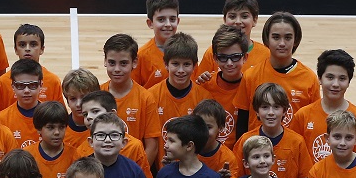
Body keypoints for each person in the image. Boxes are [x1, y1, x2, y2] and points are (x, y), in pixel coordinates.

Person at [239, 12, 319, 135]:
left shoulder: (309, 78)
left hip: (293, 151)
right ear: (267, 40)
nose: (282, 43)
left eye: (288, 37)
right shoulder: (250, 75)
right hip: (257, 151)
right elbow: (242, 122)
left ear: (296, 40)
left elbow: (313, 121)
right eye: (276, 37)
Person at [292, 49, 356, 167]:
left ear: (349, 81)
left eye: (342, 78)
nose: (335, 84)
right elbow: (294, 157)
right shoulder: (302, 116)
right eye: (330, 77)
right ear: (319, 79)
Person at [231, 82, 308, 178]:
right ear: (257, 111)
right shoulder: (245, 141)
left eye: (276, 107)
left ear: (285, 111)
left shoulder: (297, 142)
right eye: (265, 107)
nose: (271, 113)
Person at [148, 33, 208, 168]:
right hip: (160, 171)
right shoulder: (150, 96)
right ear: (166, 64)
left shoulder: (204, 97)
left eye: (186, 64)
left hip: (192, 171)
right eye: (175, 64)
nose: (181, 70)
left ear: (194, 65)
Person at [102, 34, 162, 165]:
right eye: (112, 62)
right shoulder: (97, 94)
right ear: (105, 61)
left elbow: (152, 146)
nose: (117, 69)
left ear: (134, 62)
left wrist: (135, 175)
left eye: (123, 63)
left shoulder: (146, 98)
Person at [73, 89, 155, 178]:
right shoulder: (81, 151)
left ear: (112, 113)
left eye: (95, 111)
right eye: (85, 114)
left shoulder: (134, 146)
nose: (89, 117)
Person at [197, 25, 255, 147]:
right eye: (223, 58)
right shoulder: (204, 85)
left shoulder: (252, 87)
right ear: (215, 59)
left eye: (235, 57)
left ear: (245, 58)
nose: (229, 63)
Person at [195, 0, 269, 88]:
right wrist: (201, 79)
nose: (238, 21)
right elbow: (197, 86)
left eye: (244, 16)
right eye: (232, 16)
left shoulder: (266, 55)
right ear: (225, 20)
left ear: (254, 20)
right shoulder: (211, 52)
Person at [0, 24, 63, 112]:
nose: (27, 49)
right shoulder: (3, 81)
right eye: (22, 45)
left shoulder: (53, 81)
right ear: (15, 49)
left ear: (42, 49)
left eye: (33, 44)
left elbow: (59, 116)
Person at [28, 101, 77, 178]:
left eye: (61, 127)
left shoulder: (75, 155)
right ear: (38, 128)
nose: (57, 132)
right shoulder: (28, 155)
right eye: (50, 127)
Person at [0, 58, 47, 148]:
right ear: (13, 87)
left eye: (32, 85)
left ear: (41, 85)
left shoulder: (49, 116)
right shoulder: (2, 119)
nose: (26, 90)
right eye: (20, 86)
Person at [133, 0, 180, 89]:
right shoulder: (141, 56)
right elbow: (133, 91)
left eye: (172, 19)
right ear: (150, 23)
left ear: (178, 21)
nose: (168, 24)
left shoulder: (188, 51)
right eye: (161, 19)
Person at [193, 99, 237, 178]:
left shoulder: (227, 158)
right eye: (199, 125)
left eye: (208, 127)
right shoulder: (186, 149)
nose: (203, 131)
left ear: (220, 127)